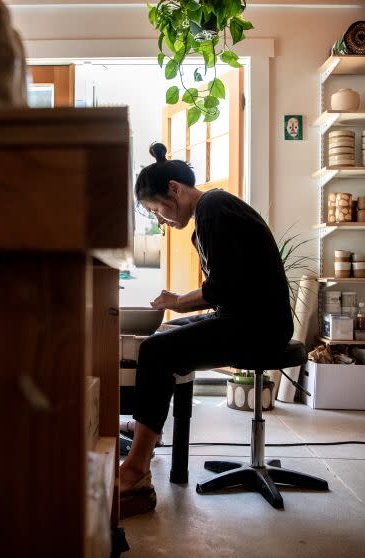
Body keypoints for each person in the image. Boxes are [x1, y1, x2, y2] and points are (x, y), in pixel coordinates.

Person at [119, 142, 293, 517]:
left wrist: (177, 300)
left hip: (259, 327)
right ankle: (150, 430)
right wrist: (179, 306)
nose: (163, 221)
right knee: (164, 338)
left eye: (158, 211)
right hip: (248, 318)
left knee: (155, 351)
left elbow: (224, 289)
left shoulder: (213, 208)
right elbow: (230, 287)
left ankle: (135, 470)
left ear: (175, 191)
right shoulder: (214, 210)